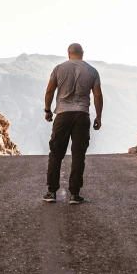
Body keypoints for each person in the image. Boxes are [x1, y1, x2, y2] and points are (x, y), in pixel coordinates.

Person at [42, 43, 103, 204]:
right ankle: (74, 194)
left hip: (62, 114)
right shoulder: (92, 71)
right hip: (82, 115)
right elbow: (97, 96)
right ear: (82, 54)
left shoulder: (58, 68)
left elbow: (50, 91)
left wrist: (47, 110)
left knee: (56, 153)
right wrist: (98, 117)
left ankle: (51, 192)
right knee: (78, 154)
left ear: (69, 53)